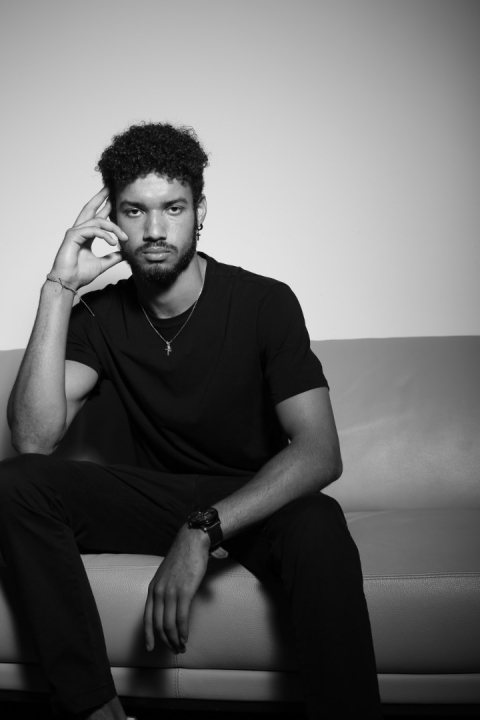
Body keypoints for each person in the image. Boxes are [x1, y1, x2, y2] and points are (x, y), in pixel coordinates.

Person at [0, 122, 383, 719]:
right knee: (15, 483)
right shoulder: (96, 316)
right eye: (135, 210)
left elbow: (318, 452)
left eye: (173, 208)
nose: (154, 230)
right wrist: (58, 289)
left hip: (252, 503)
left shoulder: (264, 302)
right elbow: (32, 439)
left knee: (319, 521)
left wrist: (203, 529)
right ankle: (95, 709)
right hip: (156, 498)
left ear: (199, 212)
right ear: (111, 221)